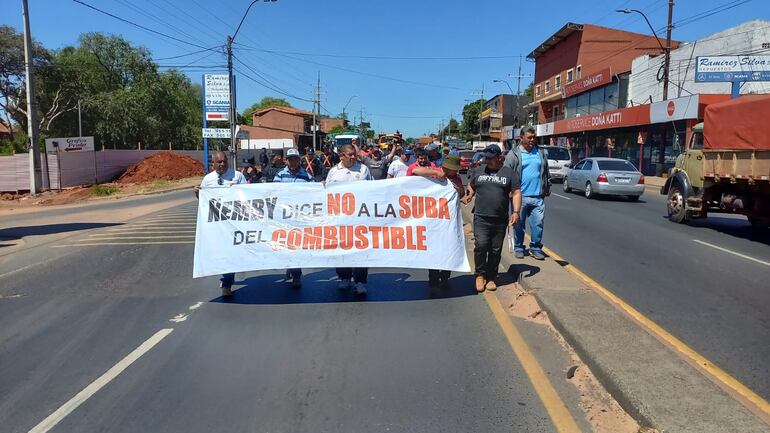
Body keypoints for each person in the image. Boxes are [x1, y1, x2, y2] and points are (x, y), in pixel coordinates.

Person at [463, 145, 521, 292]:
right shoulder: (479, 170)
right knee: (481, 246)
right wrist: (469, 194)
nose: (487, 160)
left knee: (495, 250)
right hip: (481, 217)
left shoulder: (509, 173)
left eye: (490, 158)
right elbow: (471, 185)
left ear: (499, 157)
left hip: (500, 218)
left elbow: (516, 192)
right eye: (486, 157)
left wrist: (516, 211)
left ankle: (491, 277)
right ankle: (480, 275)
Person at [194, 151, 248, 297]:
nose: (222, 164)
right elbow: (204, 201)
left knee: (235, 253)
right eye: (219, 162)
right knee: (226, 253)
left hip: (236, 222)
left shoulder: (237, 176)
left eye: (224, 161)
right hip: (219, 224)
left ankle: (230, 277)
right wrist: (198, 192)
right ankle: (227, 283)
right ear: (213, 164)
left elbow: (248, 196)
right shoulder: (208, 180)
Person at [410, 154, 465, 289]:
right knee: (435, 251)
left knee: (449, 249)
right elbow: (415, 171)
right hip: (433, 221)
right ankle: (433, 279)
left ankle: (445, 277)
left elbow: (462, 193)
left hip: (449, 220)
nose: (456, 172)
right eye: (454, 169)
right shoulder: (434, 173)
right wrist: (435, 172)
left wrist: (458, 187)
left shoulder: (456, 178)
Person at [325, 143, 374, 295]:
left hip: (360, 218)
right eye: (350, 155)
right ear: (341, 156)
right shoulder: (334, 172)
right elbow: (326, 193)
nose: (354, 157)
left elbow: (374, 190)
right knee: (342, 249)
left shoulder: (363, 169)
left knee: (360, 250)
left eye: (354, 154)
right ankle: (344, 277)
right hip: (340, 219)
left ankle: (360, 281)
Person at [504, 126, 550, 260]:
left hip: (538, 196)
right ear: (521, 138)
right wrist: (508, 191)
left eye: (534, 137)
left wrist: (547, 186)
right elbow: (507, 173)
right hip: (520, 197)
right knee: (519, 224)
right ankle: (519, 247)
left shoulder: (540, 152)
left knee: (538, 224)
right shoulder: (514, 154)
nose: (532, 140)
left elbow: (545, 171)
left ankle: (535, 247)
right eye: (529, 137)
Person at [274, 148, 314, 288]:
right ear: (286, 160)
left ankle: (296, 275)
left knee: (296, 245)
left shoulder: (307, 176)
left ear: (299, 160)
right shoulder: (279, 175)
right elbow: (274, 193)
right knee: (286, 245)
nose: (293, 161)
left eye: (295, 159)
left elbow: (314, 195)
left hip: (300, 218)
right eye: (290, 159)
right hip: (284, 217)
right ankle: (290, 266)